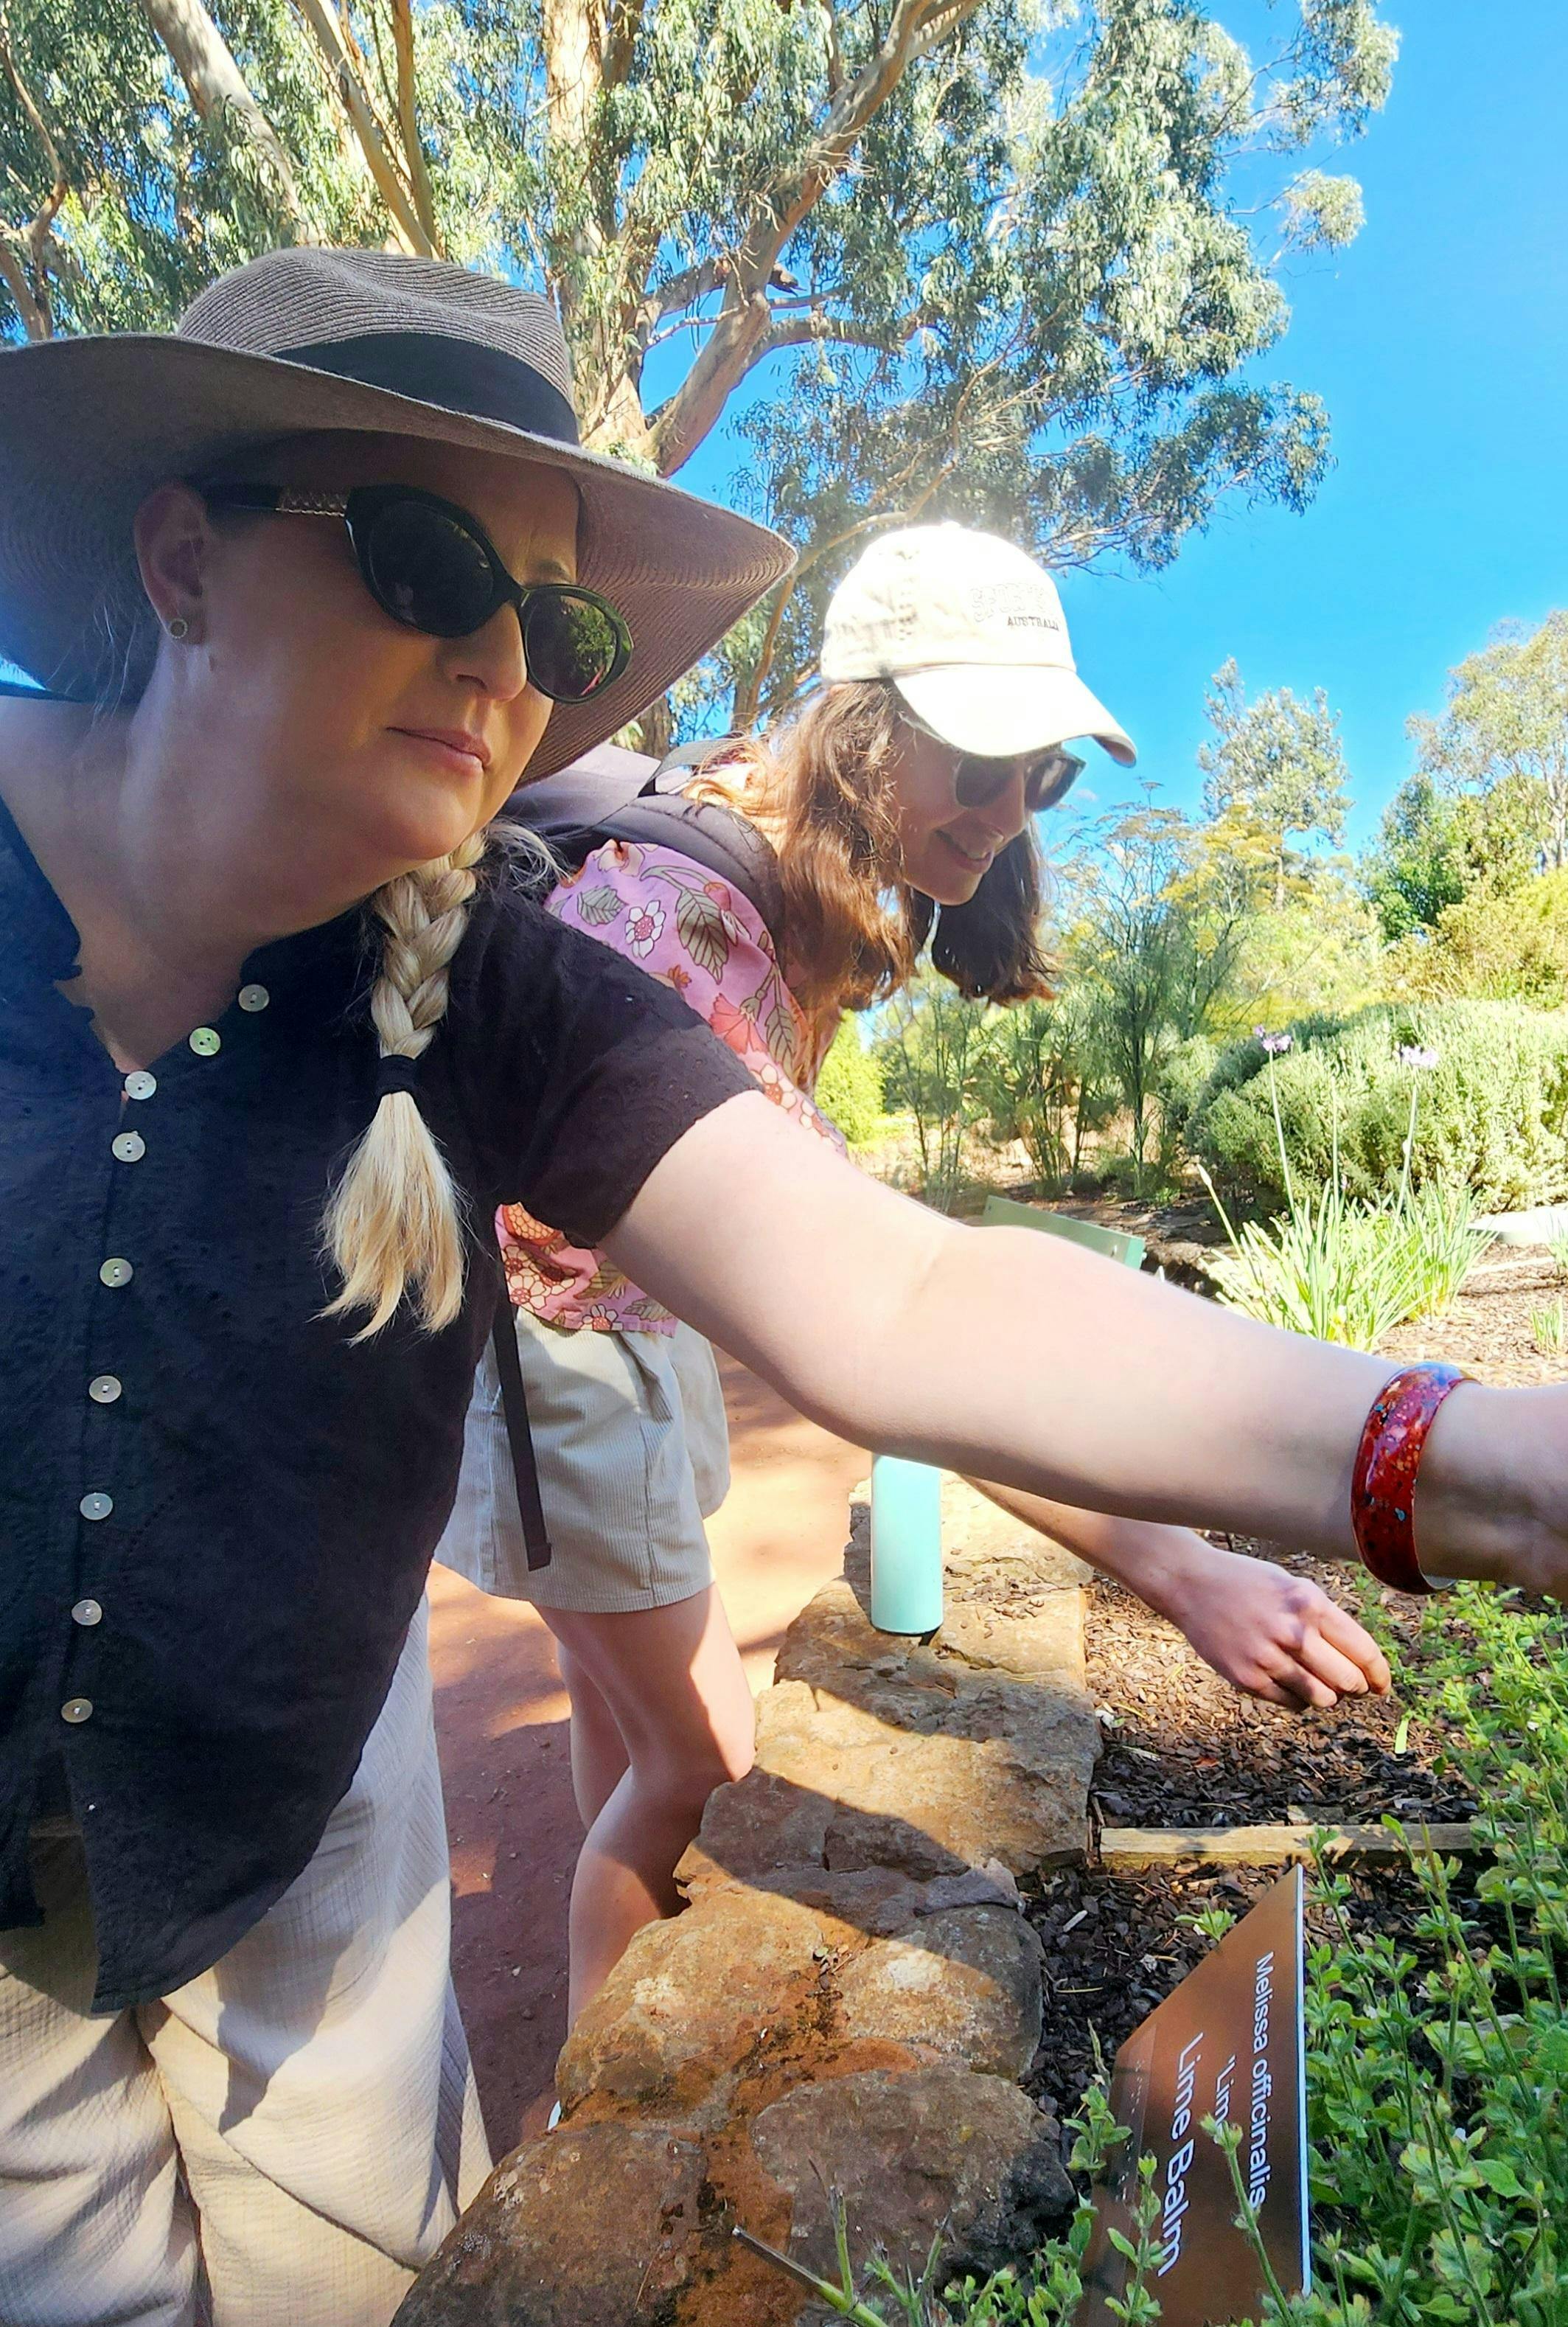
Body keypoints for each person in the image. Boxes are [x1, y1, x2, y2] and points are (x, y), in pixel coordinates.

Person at [2, 246, 1568, 2327]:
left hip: (303, 1776)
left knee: (358, 2264)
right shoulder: (646, 900)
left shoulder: (492, 974)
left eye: (550, 618)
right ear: (181, 558)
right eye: (419, 549)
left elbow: (899, 1296)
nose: (498, 657)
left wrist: (1482, 1461)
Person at [438, 521, 1396, 2022]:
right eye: (982, 763)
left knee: (628, 1724)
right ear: (864, 726)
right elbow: (893, 1328)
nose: (1009, 813)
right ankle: (585, 2113)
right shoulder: (675, 919)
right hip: (561, 1355)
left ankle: (599, 1912)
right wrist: (1170, 1560)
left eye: (1045, 778)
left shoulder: (770, 851)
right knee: (694, 1764)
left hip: (624, 1335)